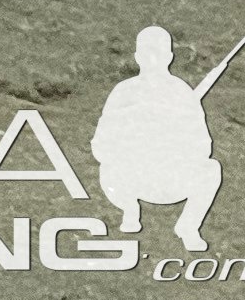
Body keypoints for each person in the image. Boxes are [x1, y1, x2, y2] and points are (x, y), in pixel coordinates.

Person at [92, 26, 226, 251]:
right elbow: (101, 144)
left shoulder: (182, 93)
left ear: (169, 57)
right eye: (147, 52)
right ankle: (130, 210)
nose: (153, 58)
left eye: (159, 52)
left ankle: (188, 227)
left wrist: (172, 143)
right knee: (108, 167)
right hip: (130, 179)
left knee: (211, 169)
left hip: (170, 179)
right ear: (137, 57)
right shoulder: (123, 92)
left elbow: (203, 146)